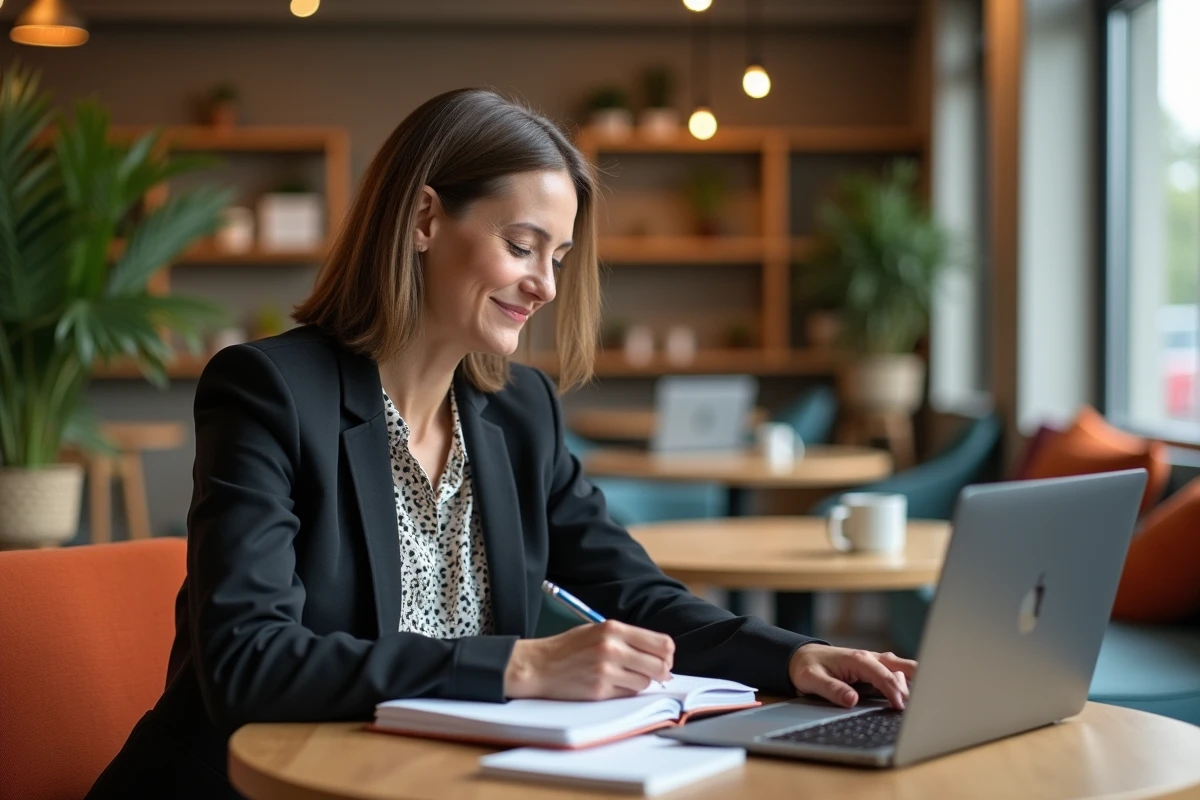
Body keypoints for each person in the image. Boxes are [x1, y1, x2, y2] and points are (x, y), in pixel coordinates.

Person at [87, 88, 915, 799]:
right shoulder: (269, 392)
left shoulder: (520, 411)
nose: (546, 284)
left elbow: (637, 595)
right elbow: (249, 664)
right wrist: (518, 666)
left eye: (555, 256)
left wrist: (800, 655)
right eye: (521, 246)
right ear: (423, 218)